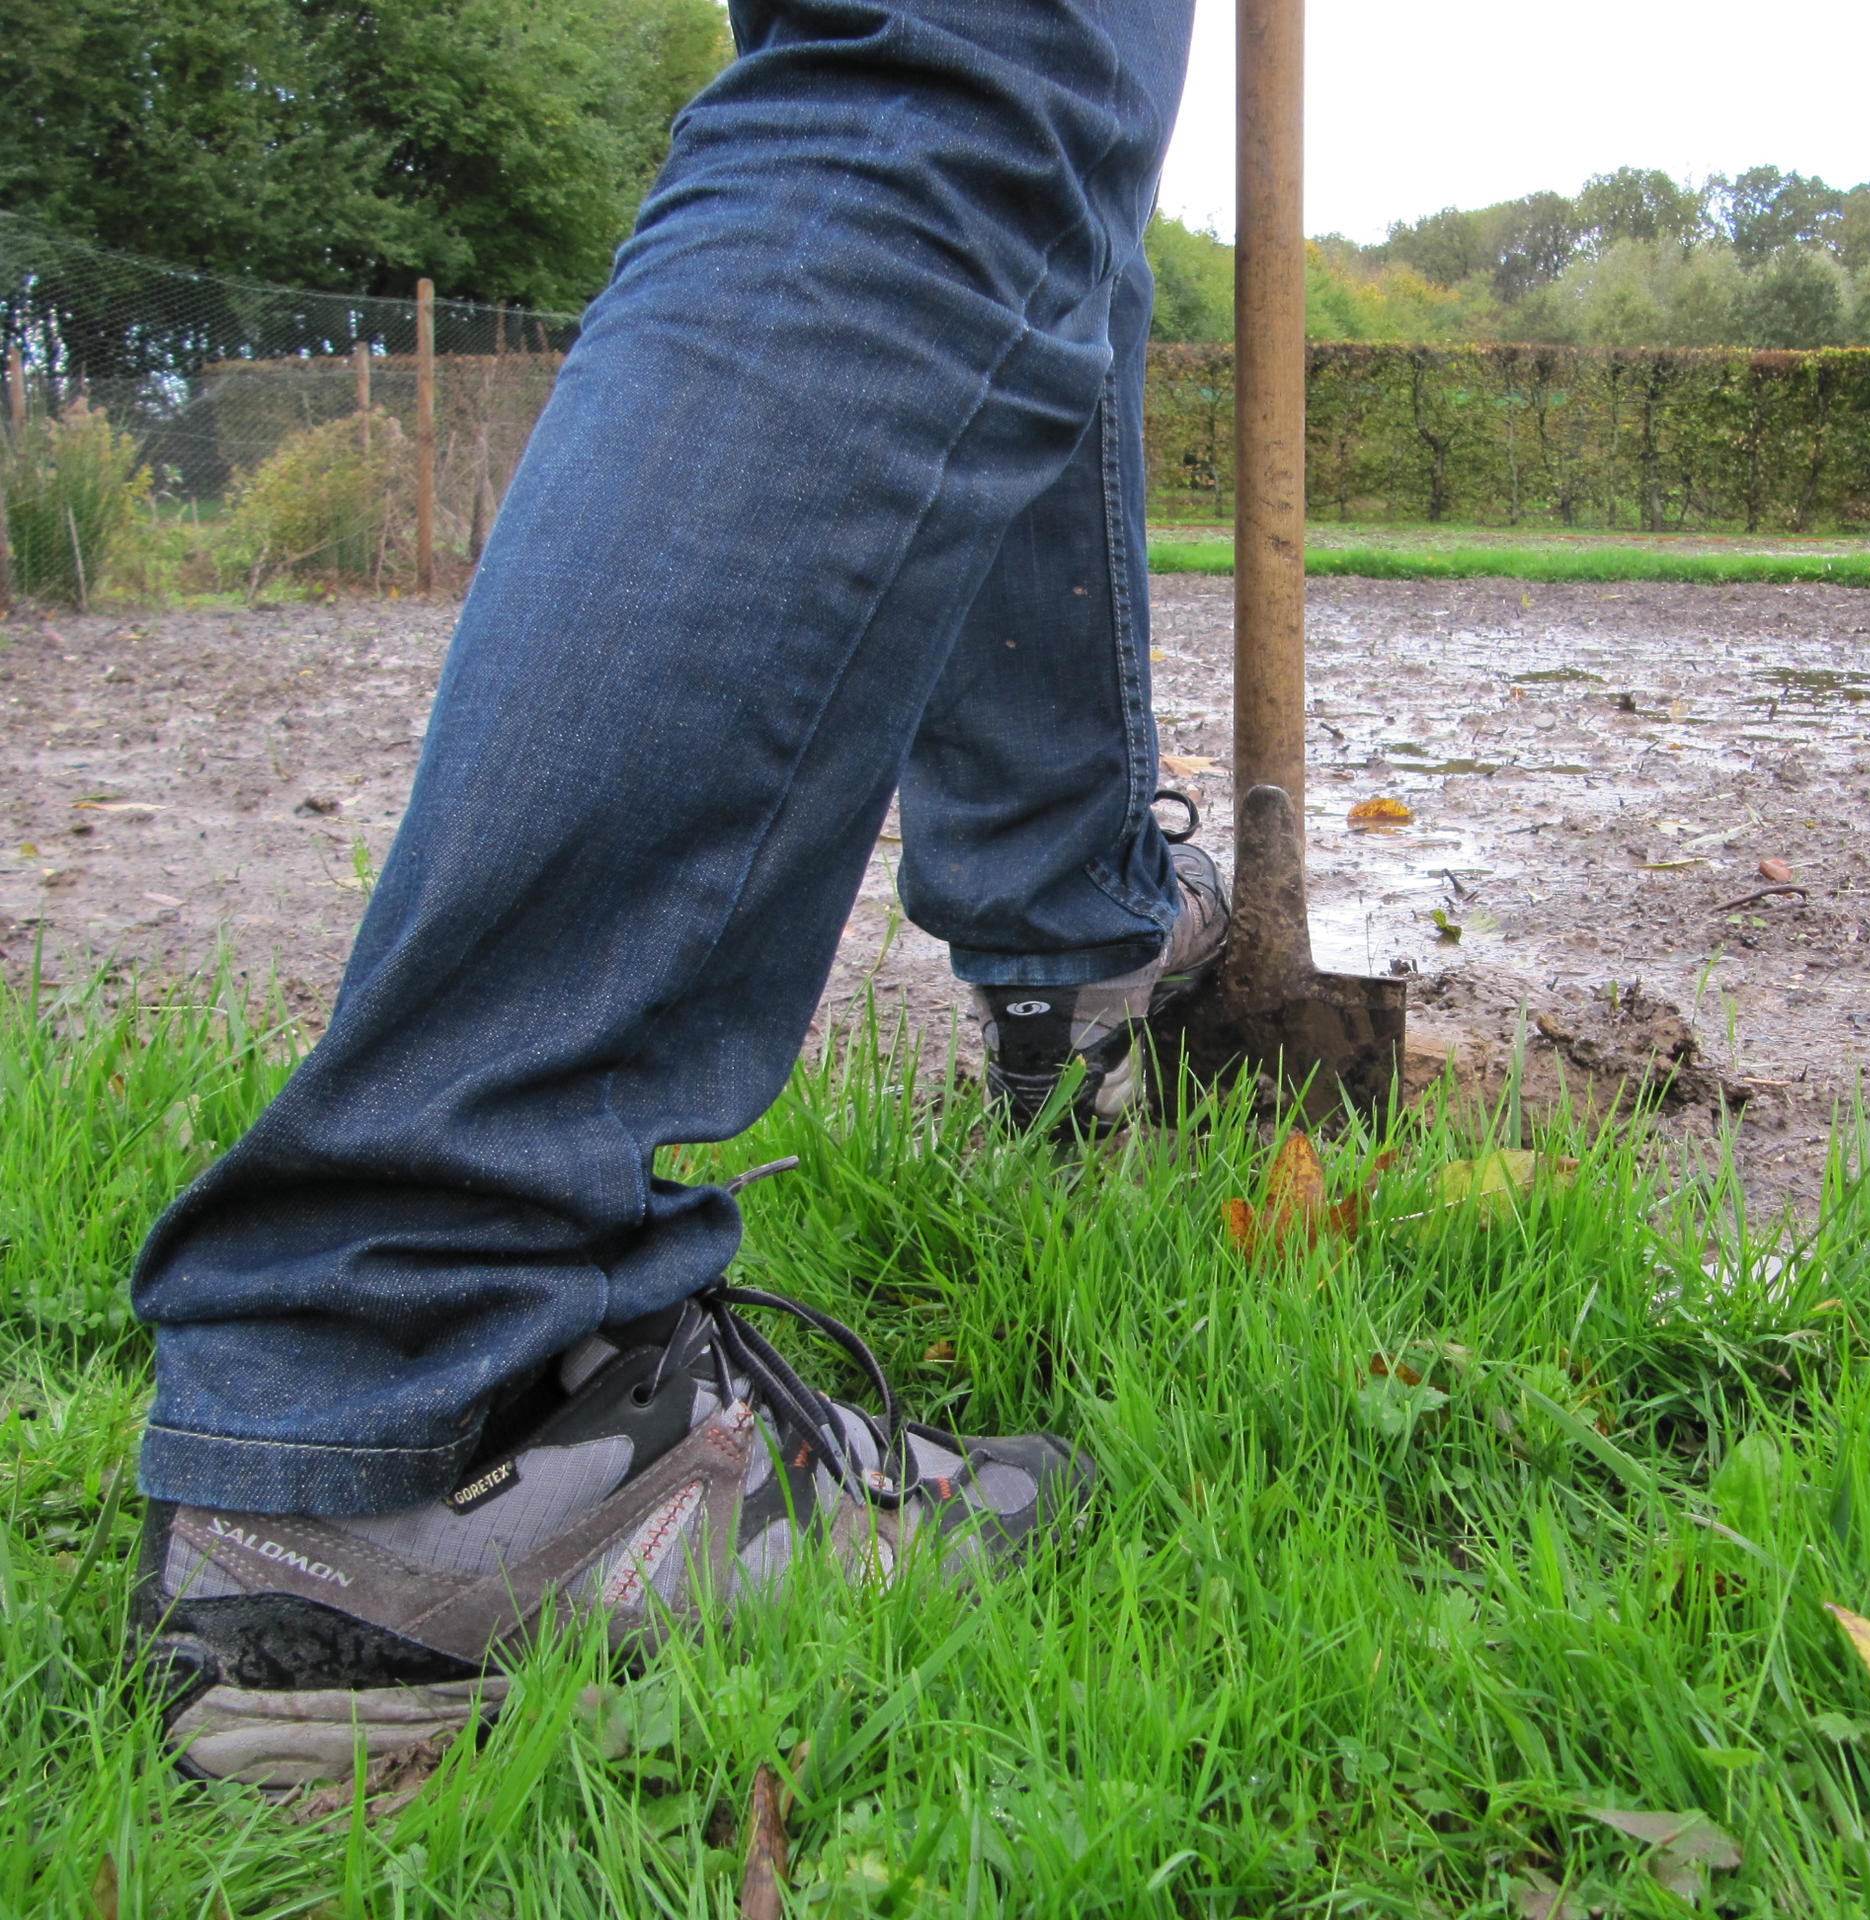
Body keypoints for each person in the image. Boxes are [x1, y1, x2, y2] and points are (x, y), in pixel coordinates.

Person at [124, 0, 1216, 1787]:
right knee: (974, 87)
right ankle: (424, 1381)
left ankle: (1071, 941)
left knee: (1033, 149)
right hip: (412, 1425)